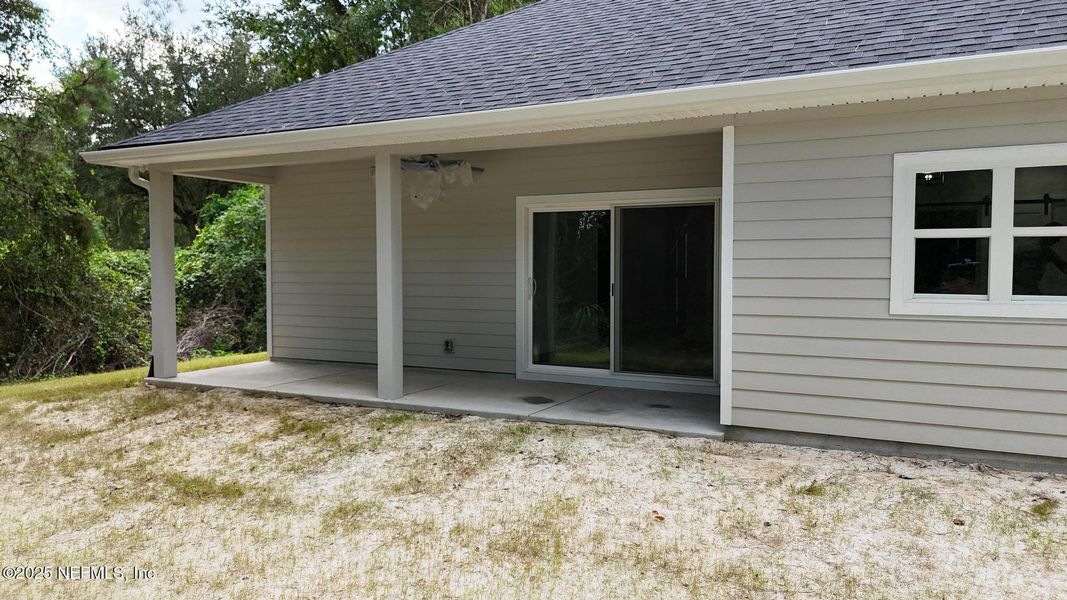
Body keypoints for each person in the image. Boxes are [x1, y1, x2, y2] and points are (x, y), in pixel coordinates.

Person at [1013, 222, 1067, 295]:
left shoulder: (1044, 249)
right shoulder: (1033, 248)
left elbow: (1060, 263)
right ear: (1049, 235)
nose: (1057, 241)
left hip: (1028, 285)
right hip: (1020, 285)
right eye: (1057, 238)